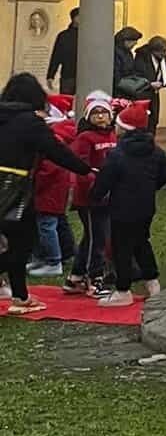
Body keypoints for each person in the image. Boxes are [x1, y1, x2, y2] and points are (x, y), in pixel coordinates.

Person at [0, 73, 90, 313]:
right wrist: (85, 169)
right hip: (14, 188)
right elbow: (56, 151)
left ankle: (19, 295)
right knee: (21, 243)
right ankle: (20, 297)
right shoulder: (31, 122)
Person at [93, 100, 166, 306]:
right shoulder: (154, 150)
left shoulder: (118, 154)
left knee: (122, 248)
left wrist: (95, 197)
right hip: (146, 206)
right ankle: (152, 283)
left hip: (122, 208)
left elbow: (104, 180)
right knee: (141, 242)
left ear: (124, 128)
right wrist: (152, 186)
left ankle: (123, 290)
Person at [65, 91, 118, 297]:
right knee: (97, 239)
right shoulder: (85, 138)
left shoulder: (112, 135)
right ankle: (94, 278)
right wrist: (96, 185)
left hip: (108, 195)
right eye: (95, 113)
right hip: (90, 197)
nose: (100, 116)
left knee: (93, 236)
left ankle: (75, 277)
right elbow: (81, 166)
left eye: (104, 112)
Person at [27, 94, 78, 277]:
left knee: (46, 225)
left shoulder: (54, 139)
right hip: (57, 189)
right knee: (57, 222)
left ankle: (53, 261)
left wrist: (33, 181)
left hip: (49, 190)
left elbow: (49, 168)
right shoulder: (62, 135)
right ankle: (64, 253)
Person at [132, 35, 166, 135]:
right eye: (162, 52)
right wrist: (150, 84)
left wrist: (163, 82)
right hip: (142, 92)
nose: (164, 54)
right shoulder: (142, 57)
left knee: (154, 119)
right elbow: (138, 75)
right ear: (153, 51)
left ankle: (150, 140)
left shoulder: (164, 58)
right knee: (143, 120)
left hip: (155, 92)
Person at [46, 8, 79, 95]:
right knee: (66, 100)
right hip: (68, 76)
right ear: (74, 18)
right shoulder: (63, 36)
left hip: (85, 77)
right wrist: (50, 75)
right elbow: (56, 56)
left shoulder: (88, 35)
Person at [111, 27, 144, 98]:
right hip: (118, 92)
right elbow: (117, 76)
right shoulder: (115, 52)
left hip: (125, 90)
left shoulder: (128, 53)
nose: (135, 44)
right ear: (126, 40)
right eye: (134, 41)